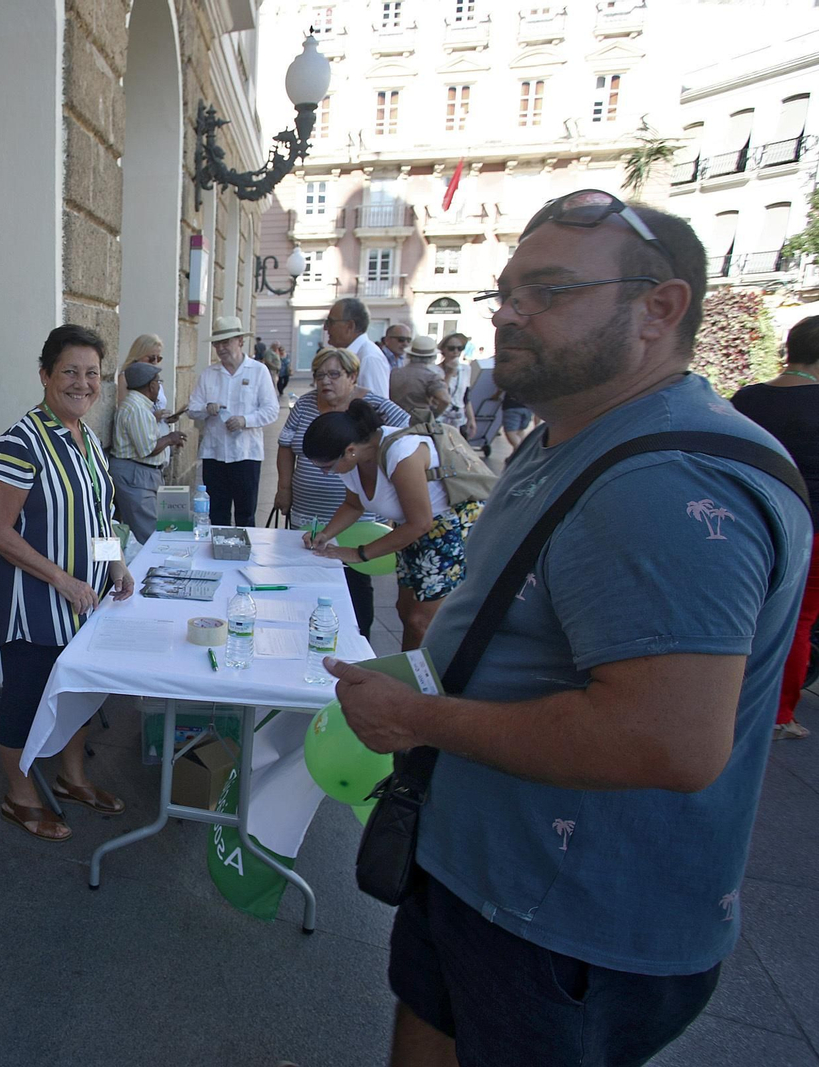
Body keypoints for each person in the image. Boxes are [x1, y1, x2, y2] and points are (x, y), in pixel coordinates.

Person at [325, 191, 811, 1067]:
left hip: (568, 921)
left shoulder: (663, 481)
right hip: (486, 873)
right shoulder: (570, 438)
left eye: (547, 292)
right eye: (507, 291)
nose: (509, 313)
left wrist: (419, 718)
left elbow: (667, 740)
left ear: (660, 309)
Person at [0, 324, 135, 841]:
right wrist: (64, 581)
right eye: (69, 371)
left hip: (85, 604)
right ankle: (18, 795)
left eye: (91, 374)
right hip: (35, 607)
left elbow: (101, 516)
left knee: (77, 695)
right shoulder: (21, 440)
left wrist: (115, 565)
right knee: (25, 701)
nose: (82, 383)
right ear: (45, 375)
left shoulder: (88, 438)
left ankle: (72, 779)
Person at [300, 400, 478, 649]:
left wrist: (358, 554)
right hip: (414, 529)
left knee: (421, 621)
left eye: (327, 467)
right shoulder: (354, 460)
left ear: (349, 450)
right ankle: (408, 670)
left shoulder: (401, 452)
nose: (326, 474)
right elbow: (354, 505)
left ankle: (421, 682)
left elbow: (421, 522)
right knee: (405, 610)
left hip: (448, 531)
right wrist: (325, 535)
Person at [273, 346, 410, 637]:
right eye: (319, 375)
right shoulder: (305, 405)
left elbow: (411, 433)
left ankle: (357, 641)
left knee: (355, 587)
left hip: (357, 519)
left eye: (334, 374)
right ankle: (305, 635)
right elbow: (285, 445)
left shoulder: (372, 405)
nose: (325, 381)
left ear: (352, 376)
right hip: (309, 511)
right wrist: (284, 488)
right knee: (307, 582)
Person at [732, 314, 819, 741]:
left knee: (739, 611)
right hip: (811, 529)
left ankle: (723, 696)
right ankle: (779, 714)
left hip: (746, 519)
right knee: (797, 620)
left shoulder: (748, 398)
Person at [188, 315, 281, 526]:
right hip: (215, 454)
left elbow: (271, 410)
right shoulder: (209, 374)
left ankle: (244, 555)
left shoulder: (259, 371)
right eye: (217, 343)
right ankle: (217, 554)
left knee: (245, 514)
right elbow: (192, 409)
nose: (221, 348)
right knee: (216, 513)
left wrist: (245, 420)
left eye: (225, 342)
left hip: (246, 454)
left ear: (240, 341)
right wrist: (206, 409)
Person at [111, 360, 186, 544]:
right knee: (149, 534)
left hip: (145, 474)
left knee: (167, 525)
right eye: (158, 382)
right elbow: (147, 449)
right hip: (136, 475)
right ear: (151, 385)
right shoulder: (136, 408)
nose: (159, 386)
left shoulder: (140, 406)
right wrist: (171, 438)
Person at [324, 297, 390, 397]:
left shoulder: (369, 357)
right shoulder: (352, 354)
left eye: (331, 322)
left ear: (350, 326)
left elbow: (376, 406)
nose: (326, 328)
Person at [387, 335, 452, 423]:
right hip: (418, 423)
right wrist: (433, 415)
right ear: (433, 357)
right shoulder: (431, 377)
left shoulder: (394, 373)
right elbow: (445, 400)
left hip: (393, 420)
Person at [117, 332, 180, 422]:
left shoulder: (155, 378)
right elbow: (125, 414)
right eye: (151, 358)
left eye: (158, 358)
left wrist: (166, 419)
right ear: (138, 355)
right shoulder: (125, 377)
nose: (154, 362)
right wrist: (153, 416)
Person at [436, 331, 477, 437]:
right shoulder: (436, 370)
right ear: (443, 350)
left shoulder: (466, 369)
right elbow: (439, 394)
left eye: (459, 348)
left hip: (458, 418)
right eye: (451, 348)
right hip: (440, 417)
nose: (455, 352)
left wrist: (471, 419)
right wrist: (449, 374)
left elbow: (465, 397)